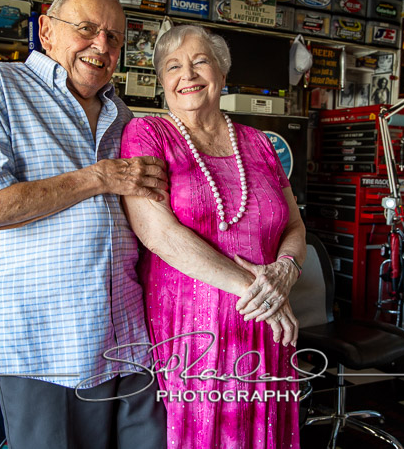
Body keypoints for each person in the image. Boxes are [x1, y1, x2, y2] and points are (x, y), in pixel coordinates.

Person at [0, 0, 168, 449]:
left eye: (114, 38)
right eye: (87, 29)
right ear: (46, 31)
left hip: (129, 340)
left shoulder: (123, 114)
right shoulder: (1, 86)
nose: (102, 46)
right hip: (45, 345)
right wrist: (99, 177)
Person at [120, 25, 306, 448]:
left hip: (266, 325)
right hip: (193, 328)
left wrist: (286, 269)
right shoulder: (147, 134)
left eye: (200, 61)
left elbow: (295, 226)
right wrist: (260, 291)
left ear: (221, 73)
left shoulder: (258, 144)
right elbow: (158, 234)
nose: (188, 73)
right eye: (173, 66)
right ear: (162, 82)